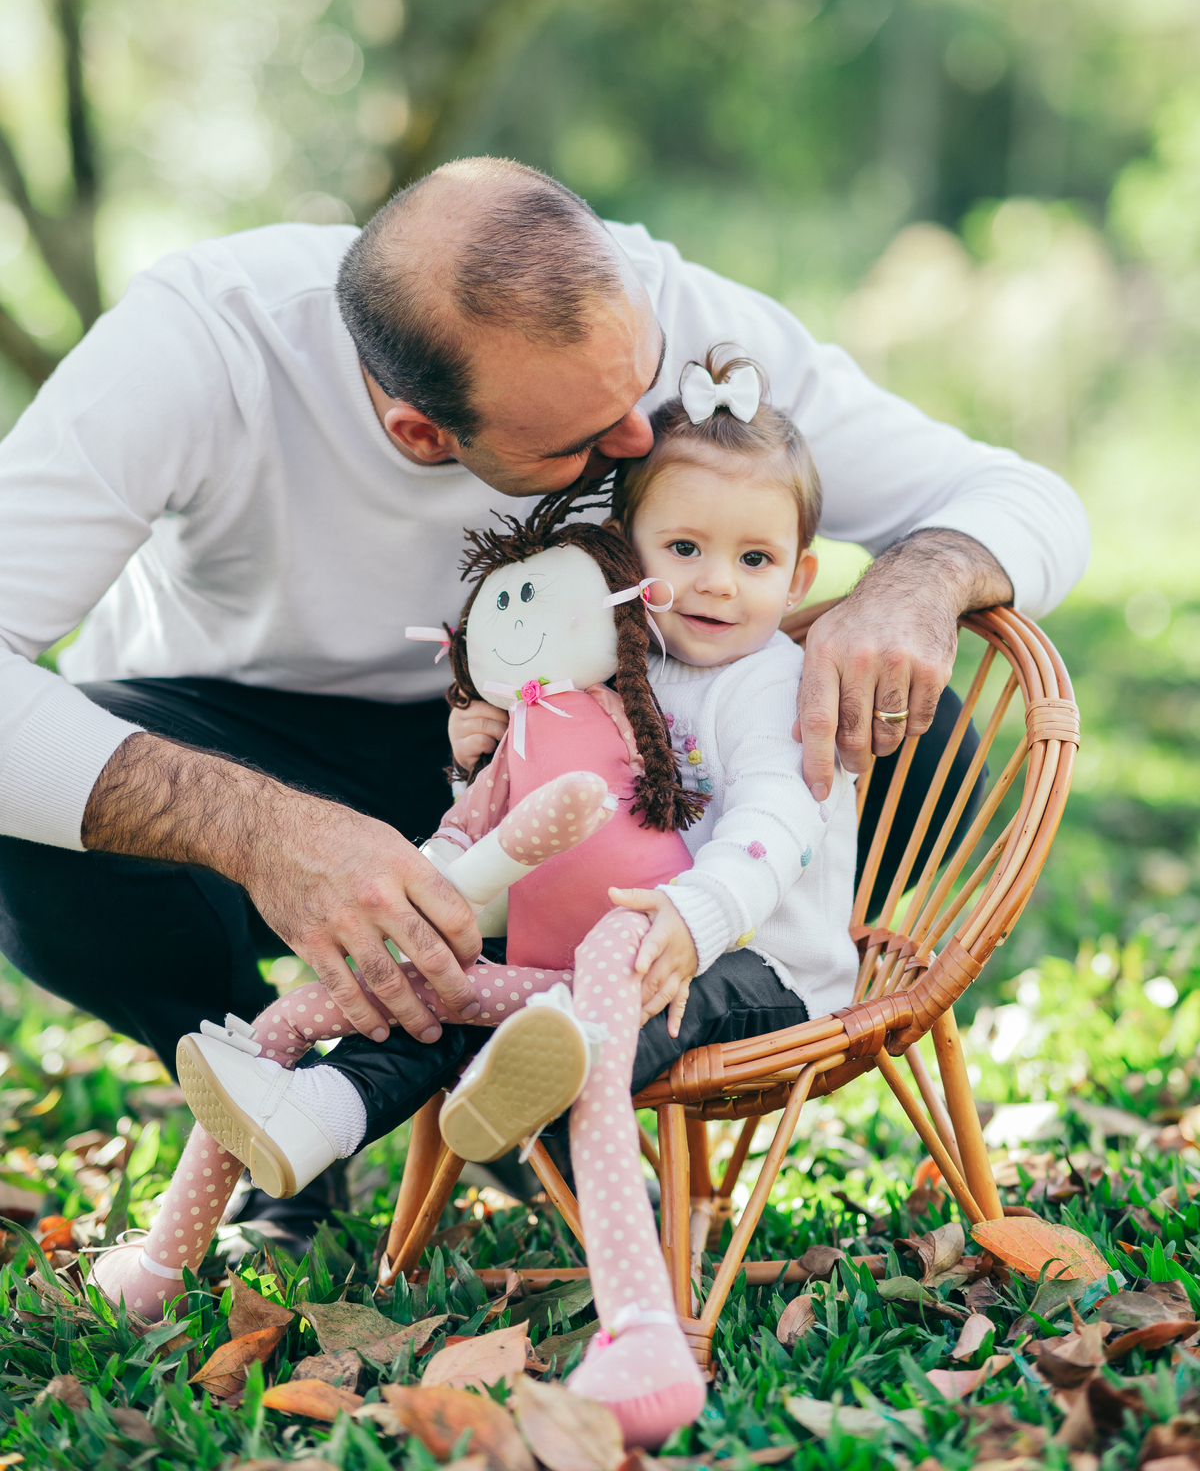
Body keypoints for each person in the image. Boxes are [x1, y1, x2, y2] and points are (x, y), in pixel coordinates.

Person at [0, 157, 1089, 1247]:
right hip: (246, 731)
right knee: (41, 840)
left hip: (596, 747)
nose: (636, 441)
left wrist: (917, 581)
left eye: (640, 390)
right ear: (423, 434)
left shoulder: (670, 321)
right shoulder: (201, 344)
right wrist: (265, 832)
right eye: (582, 440)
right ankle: (269, 1113)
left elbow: (1020, 494)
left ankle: (585, 1055)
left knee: (914, 724)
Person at [106, 357, 853, 1446]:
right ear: (621, 559)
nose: (714, 584)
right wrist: (479, 765)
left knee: (609, 961)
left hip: (751, 965)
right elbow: (537, 828)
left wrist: (693, 915)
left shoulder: (764, 680)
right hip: (572, 966)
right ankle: (313, 1115)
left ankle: (560, 1171)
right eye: (681, 550)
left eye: (754, 559)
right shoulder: (600, 664)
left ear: (800, 573)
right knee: (434, 978)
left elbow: (775, 823)